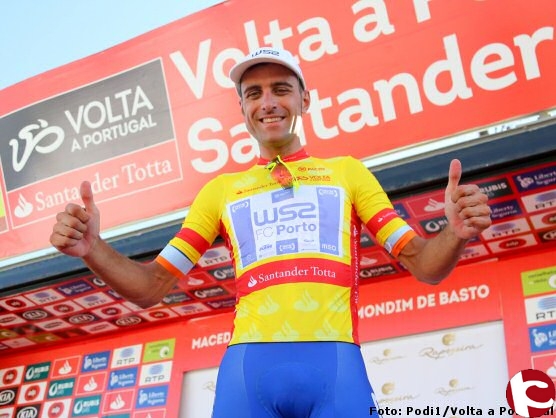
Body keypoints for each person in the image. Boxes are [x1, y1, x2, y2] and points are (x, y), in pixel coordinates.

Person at [50, 47, 492, 417]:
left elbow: (425, 265)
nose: (268, 102)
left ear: (304, 100)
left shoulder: (348, 173)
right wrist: (92, 249)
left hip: (336, 366)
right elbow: (152, 286)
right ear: (242, 108)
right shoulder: (220, 191)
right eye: (254, 93)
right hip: (248, 372)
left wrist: (454, 233)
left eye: (281, 89)